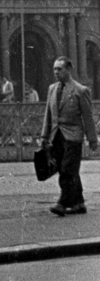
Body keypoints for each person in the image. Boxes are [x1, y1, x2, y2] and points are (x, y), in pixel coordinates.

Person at [39, 56, 98, 217]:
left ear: (68, 70)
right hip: (56, 135)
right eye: (54, 69)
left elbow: (87, 116)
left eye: (60, 69)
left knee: (67, 170)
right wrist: (44, 136)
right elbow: (48, 114)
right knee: (69, 170)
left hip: (73, 136)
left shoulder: (80, 90)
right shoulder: (52, 89)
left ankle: (62, 203)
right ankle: (79, 203)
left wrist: (92, 139)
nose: (56, 72)